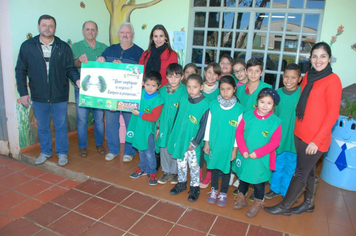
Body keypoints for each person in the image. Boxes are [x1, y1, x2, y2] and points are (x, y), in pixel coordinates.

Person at [264, 42, 342, 216]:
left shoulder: (333, 80)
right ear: (310, 58)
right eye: (314, 56)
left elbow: (332, 115)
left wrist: (317, 140)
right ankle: (308, 203)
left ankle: (285, 205)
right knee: (309, 171)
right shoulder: (308, 77)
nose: (318, 60)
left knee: (300, 172)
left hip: (314, 138)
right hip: (299, 134)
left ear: (329, 58)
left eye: (323, 56)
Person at [15, 15, 80, 166]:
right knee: (43, 127)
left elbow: (70, 68)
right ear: (38, 26)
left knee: (61, 126)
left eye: (50, 25)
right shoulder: (27, 46)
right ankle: (45, 152)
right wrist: (23, 93)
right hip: (39, 96)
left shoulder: (63, 47)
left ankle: (62, 153)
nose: (47, 28)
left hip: (59, 95)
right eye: (44, 25)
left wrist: (76, 79)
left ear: (55, 28)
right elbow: (20, 70)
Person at [96, 22, 144, 162]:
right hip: (111, 96)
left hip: (130, 97)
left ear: (133, 35)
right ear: (119, 34)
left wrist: (125, 68)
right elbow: (101, 69)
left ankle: (129, 151)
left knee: (131, 124)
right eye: (122, 32)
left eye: (128, 32)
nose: (125, 35)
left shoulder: (140, 52)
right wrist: (101, 60)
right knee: (111, 124)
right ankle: (114, 150)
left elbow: (141, 72)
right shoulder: (109, 50)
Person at [233, 88, 281, 218]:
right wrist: (243, 149)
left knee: (258, 182)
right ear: (257, 102)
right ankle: (242, 198)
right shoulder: (248, 115)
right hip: (246, 155)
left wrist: (258, 153)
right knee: (243, 177)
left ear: (273, 105)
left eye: (269, 103)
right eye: (262, 102)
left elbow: (274, 143)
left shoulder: (275, 121)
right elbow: (239, 132)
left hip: (261, 158)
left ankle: (258, 202)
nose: (265, 106)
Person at [203, 76, 244, 207]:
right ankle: (214, 190)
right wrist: (207, 142)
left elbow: (239, 132)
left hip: (229, 146)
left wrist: (235, 149)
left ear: (234, 89)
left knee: (226, 170)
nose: (225, 92)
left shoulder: (238, 109)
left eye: (228, 89)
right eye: (222, 89)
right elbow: (208, 125)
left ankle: (223, 193)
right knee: (214, 168)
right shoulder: (214, 105)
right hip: (214, 144)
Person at [168, 74, 209, 202]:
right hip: (180, 137)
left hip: (193, 141)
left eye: (195, 87)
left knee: (194, 165)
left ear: (201, 87)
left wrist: (195, 142)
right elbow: (177, 117)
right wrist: (174, 134)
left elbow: (204, 126)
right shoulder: (183, 98)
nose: (191, 90)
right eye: (189, 87)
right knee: (180, 162)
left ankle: (195, 187)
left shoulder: (205, 104)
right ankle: (181, 183)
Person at [265, 64, 302, 200]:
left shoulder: (302, 93)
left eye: (293, 77)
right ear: (282, 77)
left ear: (299, 79)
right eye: (286, 76)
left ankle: (286, 191)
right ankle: (274, 188)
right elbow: (271, 115)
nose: (289, 80)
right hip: (279, 138)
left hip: (294, 138)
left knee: (291, 167)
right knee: (277, 165)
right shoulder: (277, 94)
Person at [71, 21, 108, 157]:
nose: (90, 31)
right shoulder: (76, 46)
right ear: (83, 31)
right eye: (87, 29)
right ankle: (82, 146)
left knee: (99, 118)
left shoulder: (103, 47)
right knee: (82, 119)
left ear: (97, 31)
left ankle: (99, 144)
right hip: (82, 88)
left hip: (99, 89)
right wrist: (78, 61)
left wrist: (105, 59)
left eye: (93, 29)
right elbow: (72, 65)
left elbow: (109, 67)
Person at [127, 70, 163, 185]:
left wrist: (140, 114)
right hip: (138, 127)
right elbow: (127, 101)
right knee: (140, 149)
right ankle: (142, 168)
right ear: (143, 83)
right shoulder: (139, 93)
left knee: (149, 152)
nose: (150, 88)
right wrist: (114, 105)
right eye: (147, 84)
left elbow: (153, 117)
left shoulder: (158, 100)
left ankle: (152, 172)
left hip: (148, 130)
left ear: (159, 86)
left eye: (153, 86)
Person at [156, 63, 187, 185]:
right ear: (166, 77)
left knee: (175, 147)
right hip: (164, 125)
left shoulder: (185, 90)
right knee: (163, 147)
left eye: (176, 76)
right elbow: (158, 109)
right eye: (170, 76)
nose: (173, 79)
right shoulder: (162, 90)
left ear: (182, 77)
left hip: (177, 126)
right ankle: (166, 171)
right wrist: (158, 127)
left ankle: (175, 172)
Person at [200, 62, 221, 189]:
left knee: (209, 150)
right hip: (198, 123)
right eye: (209, 73)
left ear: (218, 76)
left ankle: (208, 175)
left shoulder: (220, 90)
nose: (211, 76)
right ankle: (198, 173)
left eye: (215, 74)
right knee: (199, 149)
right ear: (204, 73)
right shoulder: (199, 86)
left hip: (213, 125)